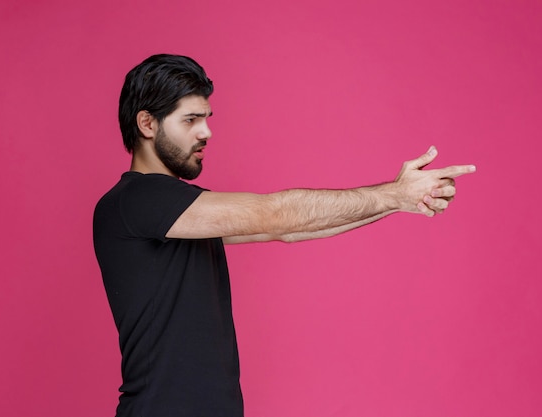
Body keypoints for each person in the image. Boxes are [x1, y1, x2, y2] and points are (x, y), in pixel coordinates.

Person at [93, 54, 476, 417]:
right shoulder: (137, 200)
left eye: (208, 118)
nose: (207, 131)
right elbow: (276, 215)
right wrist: (393, 193)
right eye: (191, 119)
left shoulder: (180, 212)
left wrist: (398, 202)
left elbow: (290, 231)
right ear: (147, 124)